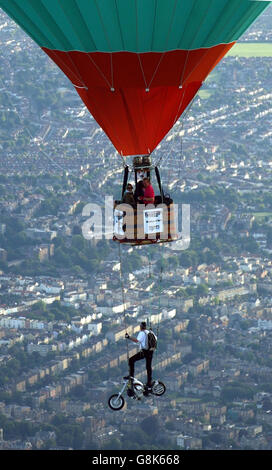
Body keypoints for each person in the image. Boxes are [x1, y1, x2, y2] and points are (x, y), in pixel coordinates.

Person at [125, 321, 156, 392]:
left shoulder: (142, 333)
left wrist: (128, 337)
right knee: (148, 366)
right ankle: (149, 382)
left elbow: (137, 341)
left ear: (141, 327)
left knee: (131, 360)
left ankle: (131, 377)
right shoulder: (150, 332)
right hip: (151, 351)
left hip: (145, 351)